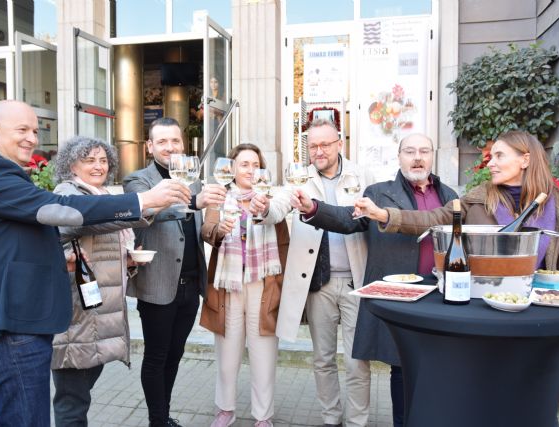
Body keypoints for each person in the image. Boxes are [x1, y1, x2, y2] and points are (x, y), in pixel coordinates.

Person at [0, 100, 190, 427]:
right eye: (22, 129)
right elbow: (58, 210)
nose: (32, 138)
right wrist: (143, 200)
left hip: (14, 324)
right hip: (9, 328)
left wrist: (60, 261)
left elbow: (11, 243)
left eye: (35, 130)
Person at [294, 133, 458, 427]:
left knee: (437, 367)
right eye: (410, 151)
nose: (417, 157)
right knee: (400, 367)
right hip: (399, 295)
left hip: (438, 294)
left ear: (432, 156)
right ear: (399, 157)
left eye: (424, 151)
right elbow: (348, 218)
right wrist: (314, 209)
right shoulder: (379, 193)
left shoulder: (450, 196)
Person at [354, 130, 559, 285]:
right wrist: (383, 214)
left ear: (525, 160)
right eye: (491, 157)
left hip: (535, 311)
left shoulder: (558, 209)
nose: (490, 163)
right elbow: (433, 219)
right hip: (481, 306)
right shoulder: (477, 199)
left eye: (499, 156)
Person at [123, 117, 227, 427]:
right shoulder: (137, 180)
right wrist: (195, 201)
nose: (171, 147)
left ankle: (163, 414)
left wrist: (217, 225)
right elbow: (150, 211)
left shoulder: (193, 178)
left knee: (175, 354)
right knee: (156, 356)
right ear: (150, 146)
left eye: (176, 141)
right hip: (157, 282)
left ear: (183, 144)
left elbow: (199, 230)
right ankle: (158, 420)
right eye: (163, 142)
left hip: (190, 285)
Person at [275, 119, 376, 427]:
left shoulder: (363, 175)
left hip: (357, 282)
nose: (318, 151)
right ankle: (330, 419)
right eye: (313, 146)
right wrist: (263, 208)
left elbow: (367, 219)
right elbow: (277, 205)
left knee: (357, 362)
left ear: (339, 144)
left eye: (325, 144)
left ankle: (357, 422)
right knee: (322, 359)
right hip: (319, 282)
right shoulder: (299, 177)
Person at [50, 136, 152, 426]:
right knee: (72, 398)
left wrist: (128, 259)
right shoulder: (68, 193)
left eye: (103, 160)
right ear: (71, 165)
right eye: (89, 159)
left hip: (97, 312)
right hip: (76, 313)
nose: (98, 166)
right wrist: (150, 204)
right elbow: (73, 228)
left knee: (81, 390)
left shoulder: (103, 195)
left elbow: (98, 245)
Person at [200, 143, 290, 427]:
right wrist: (219, 230)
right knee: (227, 352)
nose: (250, 170)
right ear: (233, 169)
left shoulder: (271, 197)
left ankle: (263, 416)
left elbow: (280, 228)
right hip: (227, 285)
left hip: (263, 284)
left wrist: (263, 209)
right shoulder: (219, 196)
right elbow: (207, 230)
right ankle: (225, 409)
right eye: (244, 164)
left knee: (263, 352)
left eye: (255, 164)